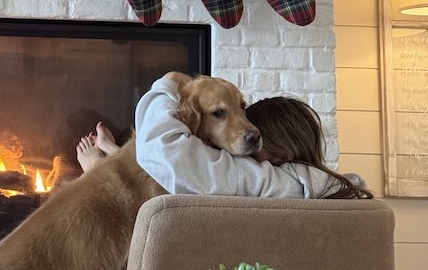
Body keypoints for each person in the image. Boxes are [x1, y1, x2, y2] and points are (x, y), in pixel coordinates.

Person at [77, 72, 371, 199]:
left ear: (282, 153)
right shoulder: (311, 181)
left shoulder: (264, 181)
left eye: (259, 134)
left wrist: (169, 83)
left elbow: (169, 155)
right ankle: (113, 156)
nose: (248, 131)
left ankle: (98, 169)